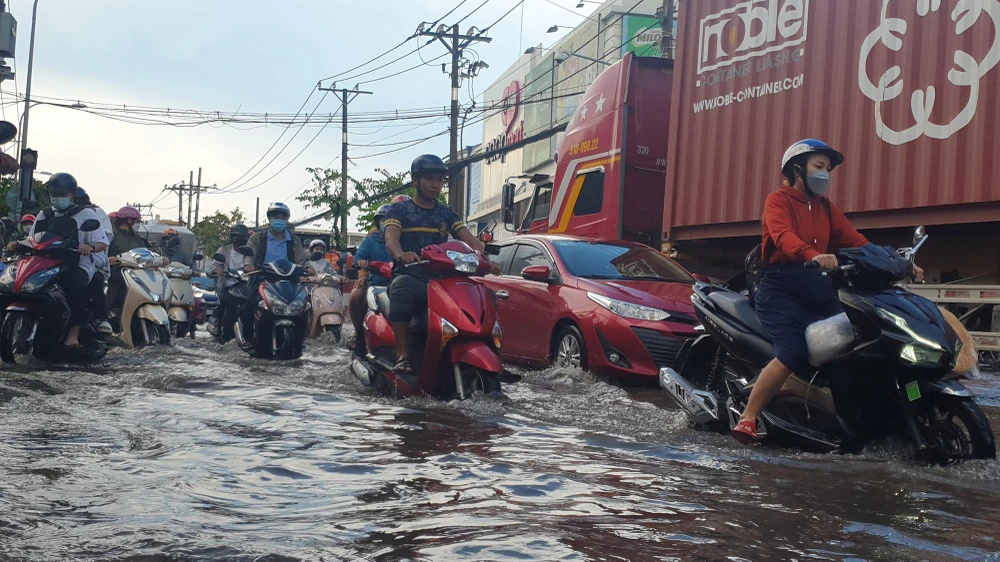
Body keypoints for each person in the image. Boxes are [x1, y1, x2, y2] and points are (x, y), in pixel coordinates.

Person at [731, 139, 924, 445]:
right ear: (798, 170)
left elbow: (856, 240)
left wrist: (898, 263)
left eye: (828, 169)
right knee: (793, 351)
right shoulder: (777, 201)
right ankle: (749, 417)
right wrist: (813, 254)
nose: (825, 174)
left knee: (857, 342)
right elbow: (783, 237)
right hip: (780, 289)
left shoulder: (825, 207)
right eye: (818, 166)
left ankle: (851, 417)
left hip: (819, 286)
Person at [382, 155, 499, 375]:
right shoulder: (399, 210)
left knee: (486, 294)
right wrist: (401, 254)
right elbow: (391, 238)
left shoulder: (446, 213)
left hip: (442, 282)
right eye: (429, 179)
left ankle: (491, 351)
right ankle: (403, 355)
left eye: (440, 180)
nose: (436, 185)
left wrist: (486, 259)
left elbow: (469, 239)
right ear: (415, 181)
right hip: (411, 277)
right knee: (401, 288)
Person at [28, 173, 111, 347]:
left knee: (74, 286)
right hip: (46, 263)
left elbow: (102, 242)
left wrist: (89, 248)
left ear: (72, 195)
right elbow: (32, 238)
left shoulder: (86, 214)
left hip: (78, 262)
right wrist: (17, 244)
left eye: (62, 194)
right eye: (54, 194)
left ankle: (74, 332)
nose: (58, 198)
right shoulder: (44, 214)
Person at [241, 202, 311, 342]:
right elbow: (250, 255)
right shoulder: (257, 238)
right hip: (262, 278)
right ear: (269, 219)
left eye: (282, 217)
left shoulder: (294, 240)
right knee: (250, 303)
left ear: (287, 219)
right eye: (275, 217)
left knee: (304, 306)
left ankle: (301, 341)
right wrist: (249, 265)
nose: (279, 220)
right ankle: (248, 338)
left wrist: (308, 268)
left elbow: (302, 258)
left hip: (289, 281)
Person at [107, 206, 168, 317]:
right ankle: (103, 316)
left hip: (136, 272)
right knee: (114, 286)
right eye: (136, 221)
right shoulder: (112, 234)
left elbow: (145, 250)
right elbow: (104, 249)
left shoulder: (136, 236)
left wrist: (159, 257)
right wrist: (111, 258)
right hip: (117, 271)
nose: (138, 224)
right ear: (129, 220)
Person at [349, 204, 392, 355]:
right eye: (384, 220)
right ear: (378, 222)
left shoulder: (405, 240)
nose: (387, 223)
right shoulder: (371, 240)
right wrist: (363, 267)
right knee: (356, 295)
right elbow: (358, 258)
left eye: (391, 219)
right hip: (377, 284)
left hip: (401, 283)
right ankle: (358, 334)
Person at [212, 223, 250, 343]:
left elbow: (256, 264)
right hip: (229, 285)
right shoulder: (224, 250)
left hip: (247, 286)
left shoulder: (250, 252)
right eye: (237, 236)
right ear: (232, 237)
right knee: (226, 300)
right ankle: (218, 324)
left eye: (243, 237)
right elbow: (215, 265)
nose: (239, 239)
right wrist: (218, 271)